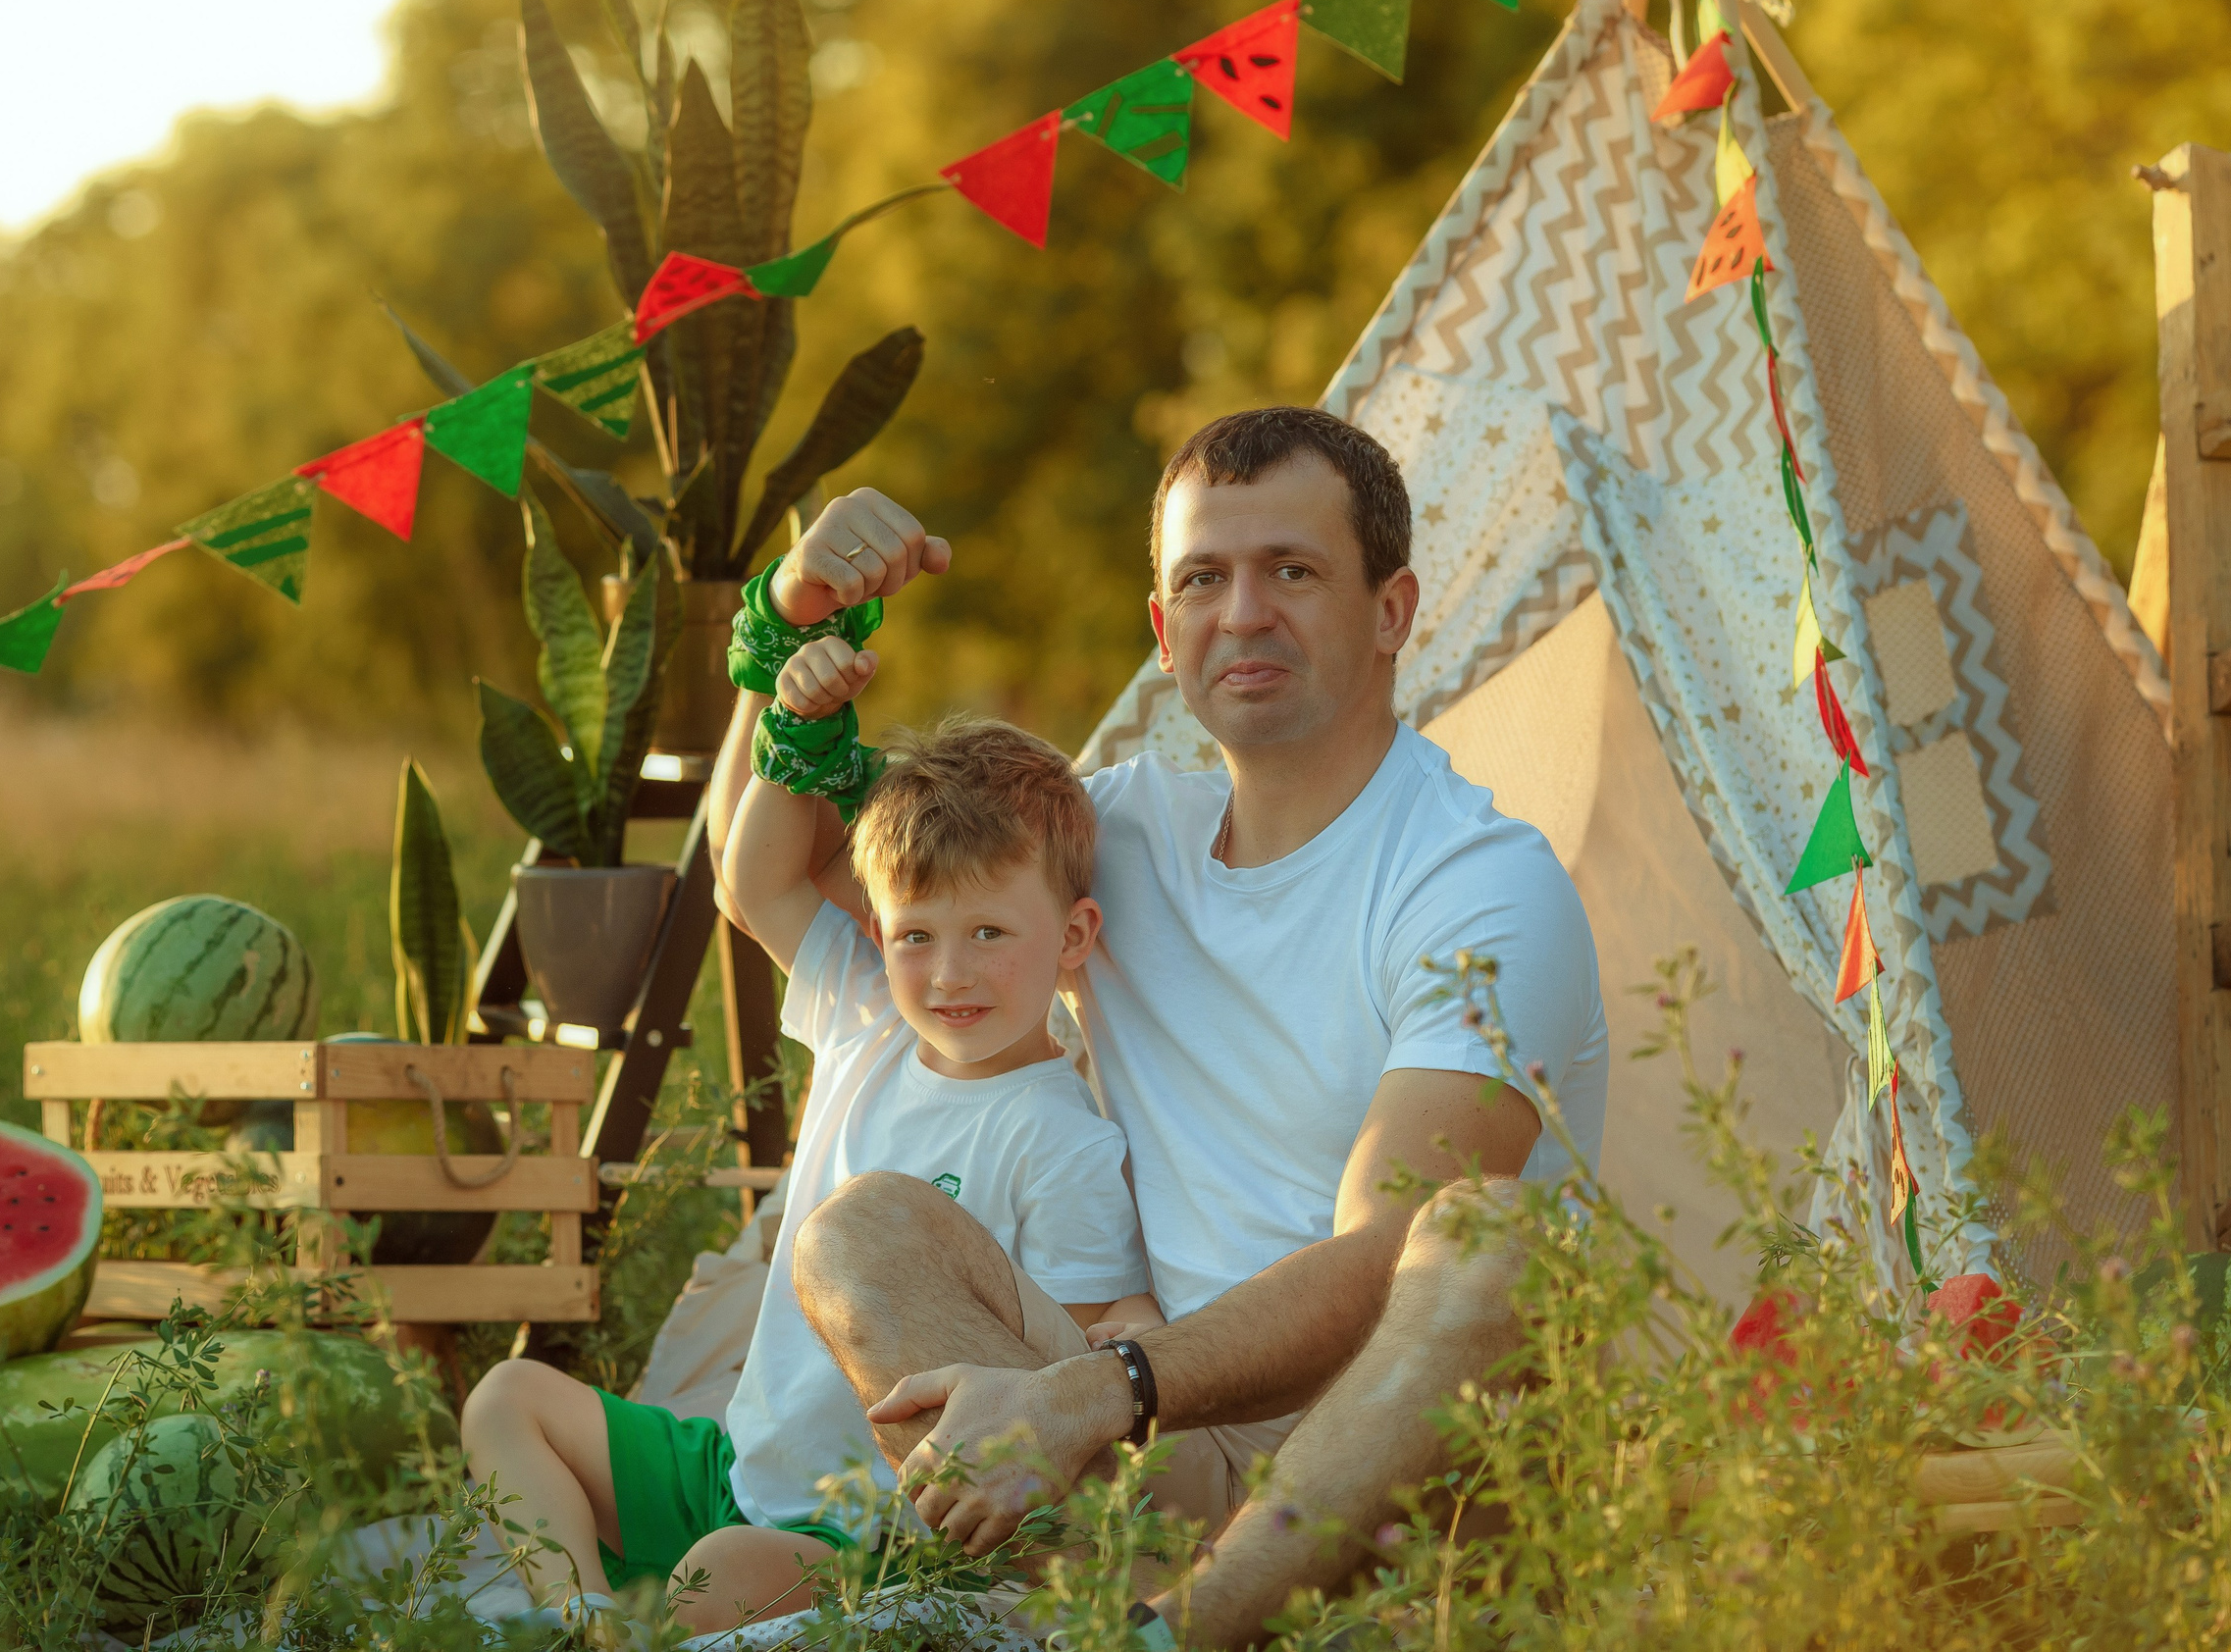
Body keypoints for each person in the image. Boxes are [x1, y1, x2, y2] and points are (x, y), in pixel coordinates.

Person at [702, 406, 1609, 1647]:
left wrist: (1098, 1390)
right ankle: (1080, 1606)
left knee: (1494, 1240)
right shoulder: (1116, 835)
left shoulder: (1477, 884)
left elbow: (1383, 1259)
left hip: (1392, 1463)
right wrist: (793, 631)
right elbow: (782, 883)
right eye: (1202, 579)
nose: (1241, 613)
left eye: (1290, 571)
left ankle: (1168, 1636)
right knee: (860, 1232)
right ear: (1162, 629)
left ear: (1391, 611)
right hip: (1159, 1459)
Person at [462, 672, 1159, 1632]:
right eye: (916, 935)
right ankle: (579, 1616)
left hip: (863, 1532)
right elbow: (755, 879)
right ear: (876, 934)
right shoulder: (866, 1016)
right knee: (508, 1401)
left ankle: (652, 1613)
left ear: (1073, 936)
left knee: (712, 1580)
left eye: (989, 932)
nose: (949, 973)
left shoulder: (1061, 1140)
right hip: (737, 1465)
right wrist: (797, 712)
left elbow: (1067, 1355)